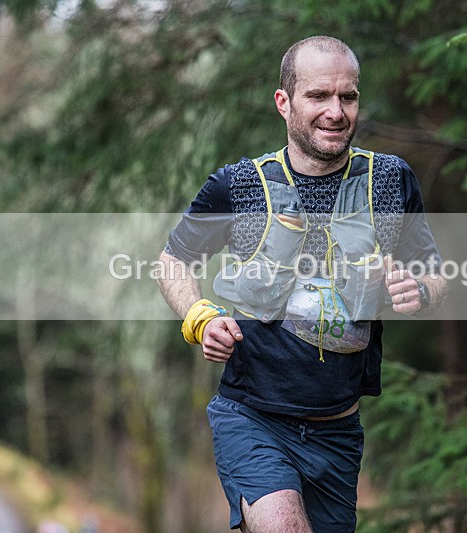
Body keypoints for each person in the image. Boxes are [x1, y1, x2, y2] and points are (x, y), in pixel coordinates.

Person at [157, 35, 447, 533]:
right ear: (284, 101)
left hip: (339, 431)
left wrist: (418, 291)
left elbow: (435, 272)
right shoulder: (240, 185)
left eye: (348, 97)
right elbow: (172, 261)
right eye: (318, 96)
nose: (336, 112)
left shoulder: (390, 181)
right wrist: (199, 318)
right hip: (253, 418)